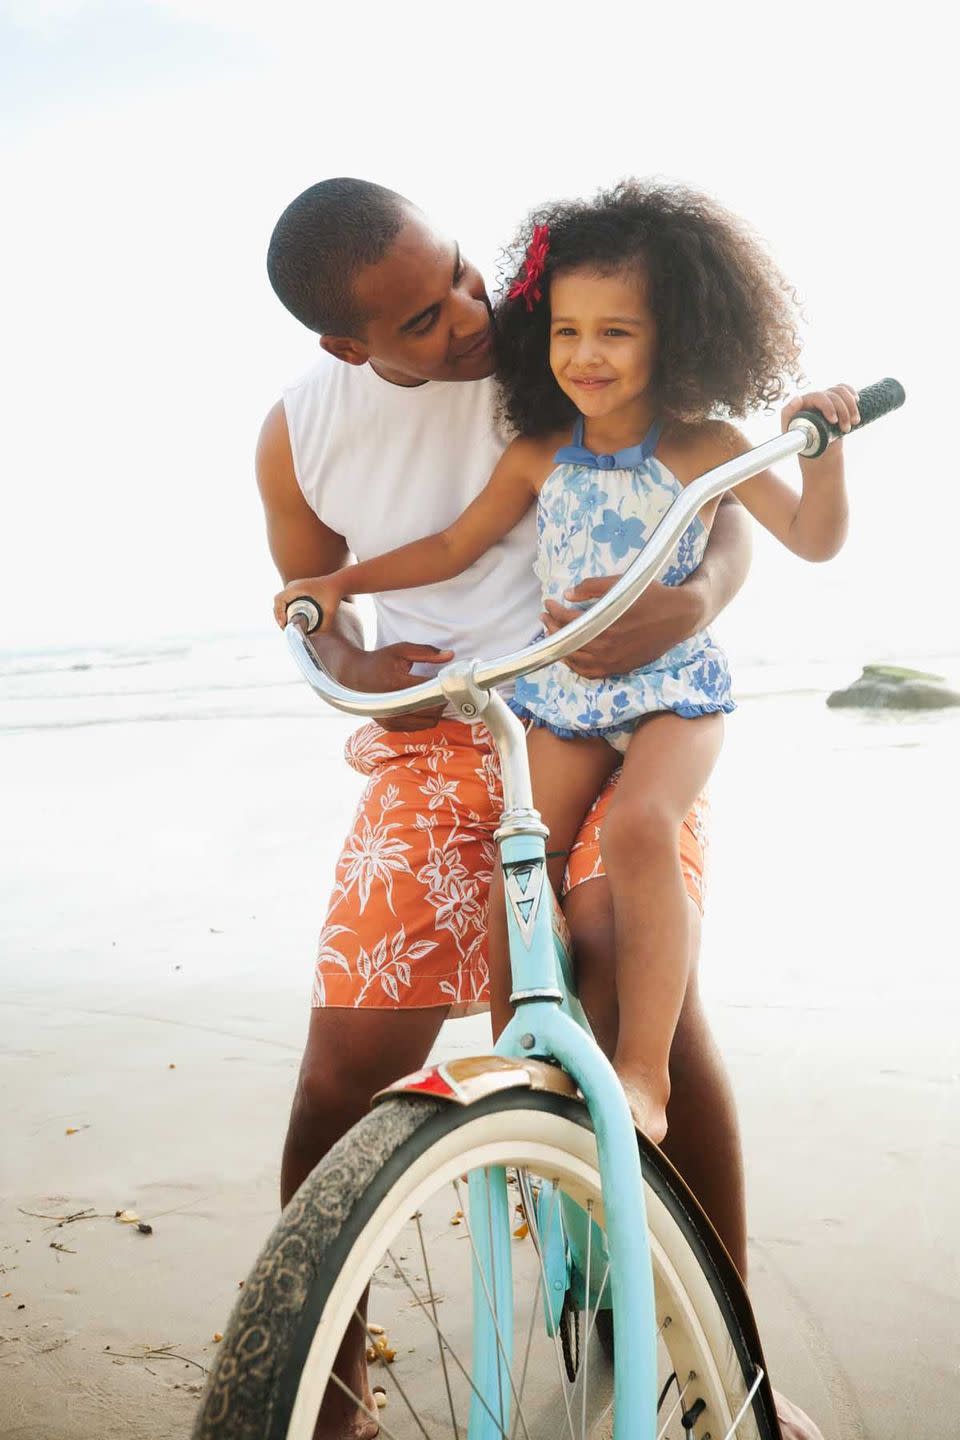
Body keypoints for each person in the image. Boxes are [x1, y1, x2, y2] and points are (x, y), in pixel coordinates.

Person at [260, 177, 821, 1440]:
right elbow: (316, 602)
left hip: (613, 706)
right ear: (346, 347)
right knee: (349, 1057)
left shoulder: (549, 334)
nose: (465, 317)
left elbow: (706, 478)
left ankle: (734, 1373)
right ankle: (316, 1385)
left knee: (630, 970)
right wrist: (360, 673)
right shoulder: (299, 429)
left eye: (462, 275)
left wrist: (703, 598)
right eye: (416, 320)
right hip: (444, 738)